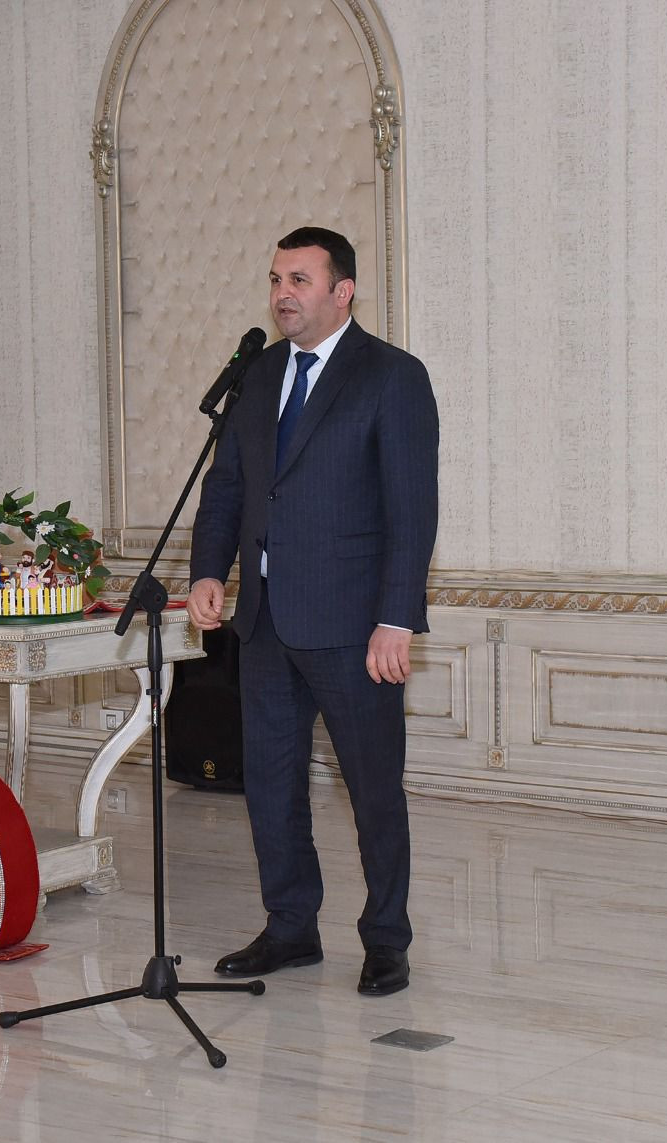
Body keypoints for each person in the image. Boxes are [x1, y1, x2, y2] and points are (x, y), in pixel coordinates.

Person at [187, 226, 439, 996]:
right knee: (271, 784)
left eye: (299, 279)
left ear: (342, 290)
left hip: (354, 628)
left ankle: (386, 938)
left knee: (372, 789)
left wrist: (397, 618)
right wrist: (208, 571)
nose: (282, 294)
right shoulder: (259, 376)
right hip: (265, 622)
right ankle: (290, 926)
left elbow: (411, 508)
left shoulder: (391, 376)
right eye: (275, 279)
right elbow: (227, 486)